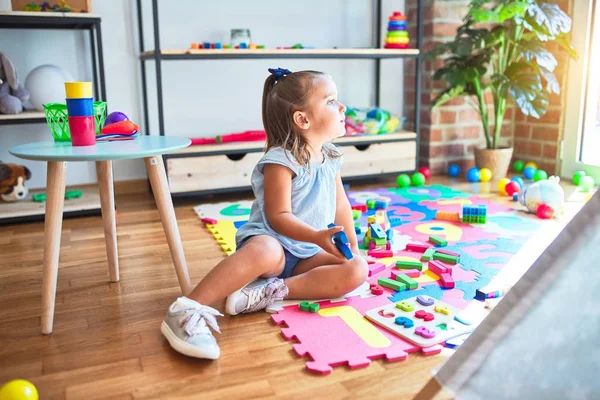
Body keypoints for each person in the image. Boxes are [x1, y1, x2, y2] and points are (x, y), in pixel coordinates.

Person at [161, 67, 368, 359]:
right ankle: (186, 310)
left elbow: (341, 205)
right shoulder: (280, 160)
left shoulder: (331, 156)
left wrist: (353, 249)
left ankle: (270, 292)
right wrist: (318, 236)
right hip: (274, 246)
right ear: (302, 119)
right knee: (266, 250)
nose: (342, 106)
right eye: (331, 100)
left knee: (357, 270)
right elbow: (278, 216)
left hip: (308, 254)